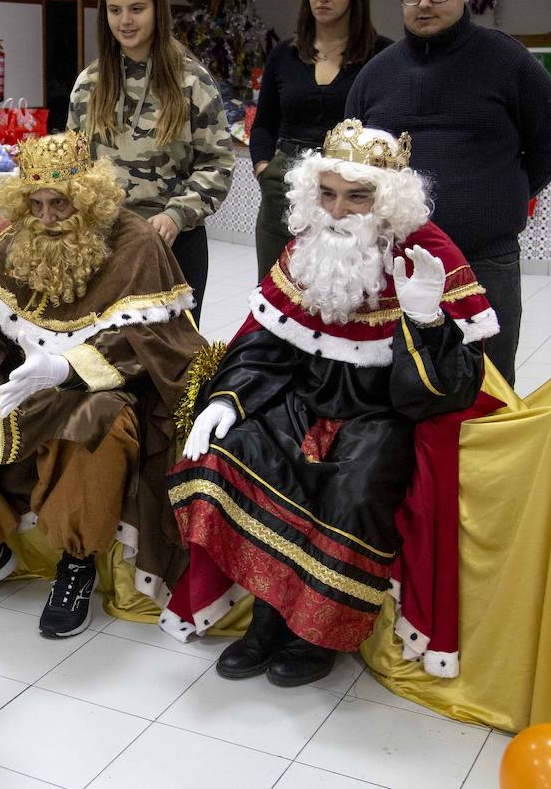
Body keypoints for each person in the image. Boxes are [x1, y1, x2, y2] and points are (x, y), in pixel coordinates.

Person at [166, 119, 497, 687]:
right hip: (304, 394)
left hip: (384, 410)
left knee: (355, 485)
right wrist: (228, 400)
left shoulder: (428, 255)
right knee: (238, 449)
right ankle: (267, 619)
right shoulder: (305, 248)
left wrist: (423, 319)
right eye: (328, 194)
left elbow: (450, 388)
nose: (339, 210)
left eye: (357, 196)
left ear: (386, 202)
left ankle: (316, 632)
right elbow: (264, 341)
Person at [0, 131, 206, 638]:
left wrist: (68, 368)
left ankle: (75, 562)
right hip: (16, 377)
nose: (48, 217)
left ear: (88, 197)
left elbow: (158, 341)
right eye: (36, 205)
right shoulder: (15, 239)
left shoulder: (135, 241)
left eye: (61, 203)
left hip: (99, 384)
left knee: (96, 421)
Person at [346, 0, 551, 386]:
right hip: (394, 261)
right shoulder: (376, 74)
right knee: (397, 384)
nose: (425, 3)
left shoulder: (509, 62)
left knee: (487, 382)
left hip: (486, 259)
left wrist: (504, 193)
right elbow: (352, 165)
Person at [65, 0, 234, 322]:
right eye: (115, 10)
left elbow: (218, 163)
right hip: (106, 243)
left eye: (137, 8)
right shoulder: (88, 85)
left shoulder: (191, 80)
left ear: (158, 9)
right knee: (104, 357)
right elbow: (73, 168)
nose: (125, 20)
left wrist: (177, 214)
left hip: (174, 243)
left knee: (173, 357)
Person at [250, 0, 394, 278]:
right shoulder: (285, 53)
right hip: (284, 191)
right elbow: (263, 123)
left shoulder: (382, 56)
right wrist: (265, 168)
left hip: (349, 199)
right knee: (276, 292)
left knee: (339, 297)